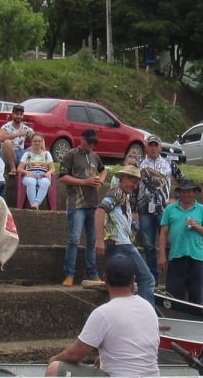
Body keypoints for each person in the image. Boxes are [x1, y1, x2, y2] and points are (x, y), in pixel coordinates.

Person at [45, 253, 160, 378]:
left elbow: (74, 355)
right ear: (133, 280)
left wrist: (53, 359)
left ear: (104, 279)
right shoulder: (148, 307)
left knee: (54, 369)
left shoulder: (103, 313)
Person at [95, 164, 156, 304]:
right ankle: (147, 316)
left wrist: (133, 227)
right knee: (147, 279)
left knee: (126, 283)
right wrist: (99, 239)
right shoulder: (117, 192)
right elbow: (100, 211)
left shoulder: (123, 196)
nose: (134, 186)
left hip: (117, 243)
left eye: (136, 184)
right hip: (121, 244)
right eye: (132, 182)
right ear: (123, 179)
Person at [60, 128, 105, 286]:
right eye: (89, 141)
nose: (92, 145)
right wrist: (84, 182)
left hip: (92, 203)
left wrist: (100, 179)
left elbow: (103, 169)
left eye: (94, 142)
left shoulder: (94, 156)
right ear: (82, 139)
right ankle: (69, 274)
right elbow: (63, 177)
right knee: (74, 239)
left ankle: (92, 273)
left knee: (92, 240)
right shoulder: (71, 154)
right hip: (77, 204)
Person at [157, 177, 203, 305]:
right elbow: (163, 234)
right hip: (176, 255)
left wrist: (197, 226)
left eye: (189, 192)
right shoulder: (170, 209)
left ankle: (198, 320)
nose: (186, 194)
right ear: (179, 193)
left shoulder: (201, 209)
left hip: (197, 256)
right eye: (183, 192)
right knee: (173, 294)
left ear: (194, 193)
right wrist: (162, 255)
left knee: (196, 294)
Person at [135, 135, 174, 277]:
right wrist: (134, 210)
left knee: (169, 244)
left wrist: (176, 199)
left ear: (160, 147)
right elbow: (133, 188)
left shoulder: (170, 164)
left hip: (164, 210)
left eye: (155, 145)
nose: (153, 148)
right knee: (148, 245)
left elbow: (183, 180)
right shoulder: (138, 164)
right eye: (150, 145)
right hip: (144, 209)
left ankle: (171, 275)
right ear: (146, 147)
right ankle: (153, 276)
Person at [18, 131, 56, 209]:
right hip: (30, 175)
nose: (37, 143)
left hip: (43, 175)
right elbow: (19, 168)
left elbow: (52, 168)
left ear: (42, 142)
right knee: (31, 182)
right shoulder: (27, 154)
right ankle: (34, 205)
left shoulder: (47, 154)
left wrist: (48, 173)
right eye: (35, 141)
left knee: (45, 182)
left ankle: (36, 203)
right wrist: (26, 172)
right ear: (32, 142)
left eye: (39, 141)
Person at [0, 104, 31, 175]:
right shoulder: (6, 127)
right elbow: (0, 138)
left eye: (21, 114)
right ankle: (13, 169)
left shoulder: (25, 128)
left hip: (21, 153)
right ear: (12, 114)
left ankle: (37, 168)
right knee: (7, 142)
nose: (19, 116)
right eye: (17, 114)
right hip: (8, 154)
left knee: (36, 145)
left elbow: (36, 137)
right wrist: (17, 134)